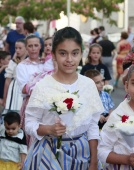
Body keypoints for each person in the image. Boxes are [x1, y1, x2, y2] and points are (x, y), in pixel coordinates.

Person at [23, 27, 104, 170]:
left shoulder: (88, 85)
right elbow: (29, 122)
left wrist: (93, 162)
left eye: (75, 53)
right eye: (63, 53)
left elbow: (92, 126)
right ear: (53, 54)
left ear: (81, 54)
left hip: (81, 153)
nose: (69, 60)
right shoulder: (43, 86)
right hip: (48, 152)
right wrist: (49, 129)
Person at [16, 34, 44, 145]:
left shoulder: (45, 64)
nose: (33, 48)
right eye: (30, 46)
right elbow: (23, 88)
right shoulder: (22, 66)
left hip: (46, 104)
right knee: (30, 138)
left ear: (40, 46)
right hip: (30, 103)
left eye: (36, 45)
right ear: (26, 48)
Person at [3, 39, 27, 114]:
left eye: (20, 48)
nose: (17, 50)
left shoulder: (29, 62)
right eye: (16, 48)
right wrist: (5, 98)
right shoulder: (13, 62)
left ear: (26, 48)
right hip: (14, 90)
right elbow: (7, 80)